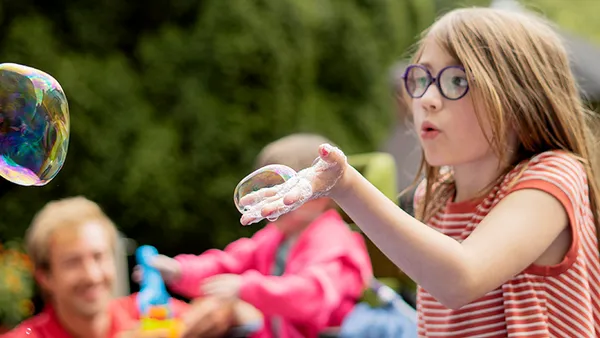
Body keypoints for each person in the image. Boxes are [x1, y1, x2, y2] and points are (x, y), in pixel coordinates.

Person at [237, 7, 600, 338]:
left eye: (456, 81)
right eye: (421, 79)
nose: (426, 98)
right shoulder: (436, 193)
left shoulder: (553, 176)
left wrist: (345, 185)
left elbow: (460, 280)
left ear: (521, 100)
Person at [140, 133, 373, 338]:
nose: (266, 197)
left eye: (282, 188)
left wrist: (246, 288)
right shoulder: (274, 237)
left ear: (321, 195)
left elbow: (312, 295)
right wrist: (179, 270)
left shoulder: (333, 240)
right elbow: (228, 264)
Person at [1, 196, 244, 338]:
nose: (93, 275)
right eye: (72, 262)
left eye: (98, 257)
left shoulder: (146, 312)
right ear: (45, 277)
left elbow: (247, 316)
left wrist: (224, 312)